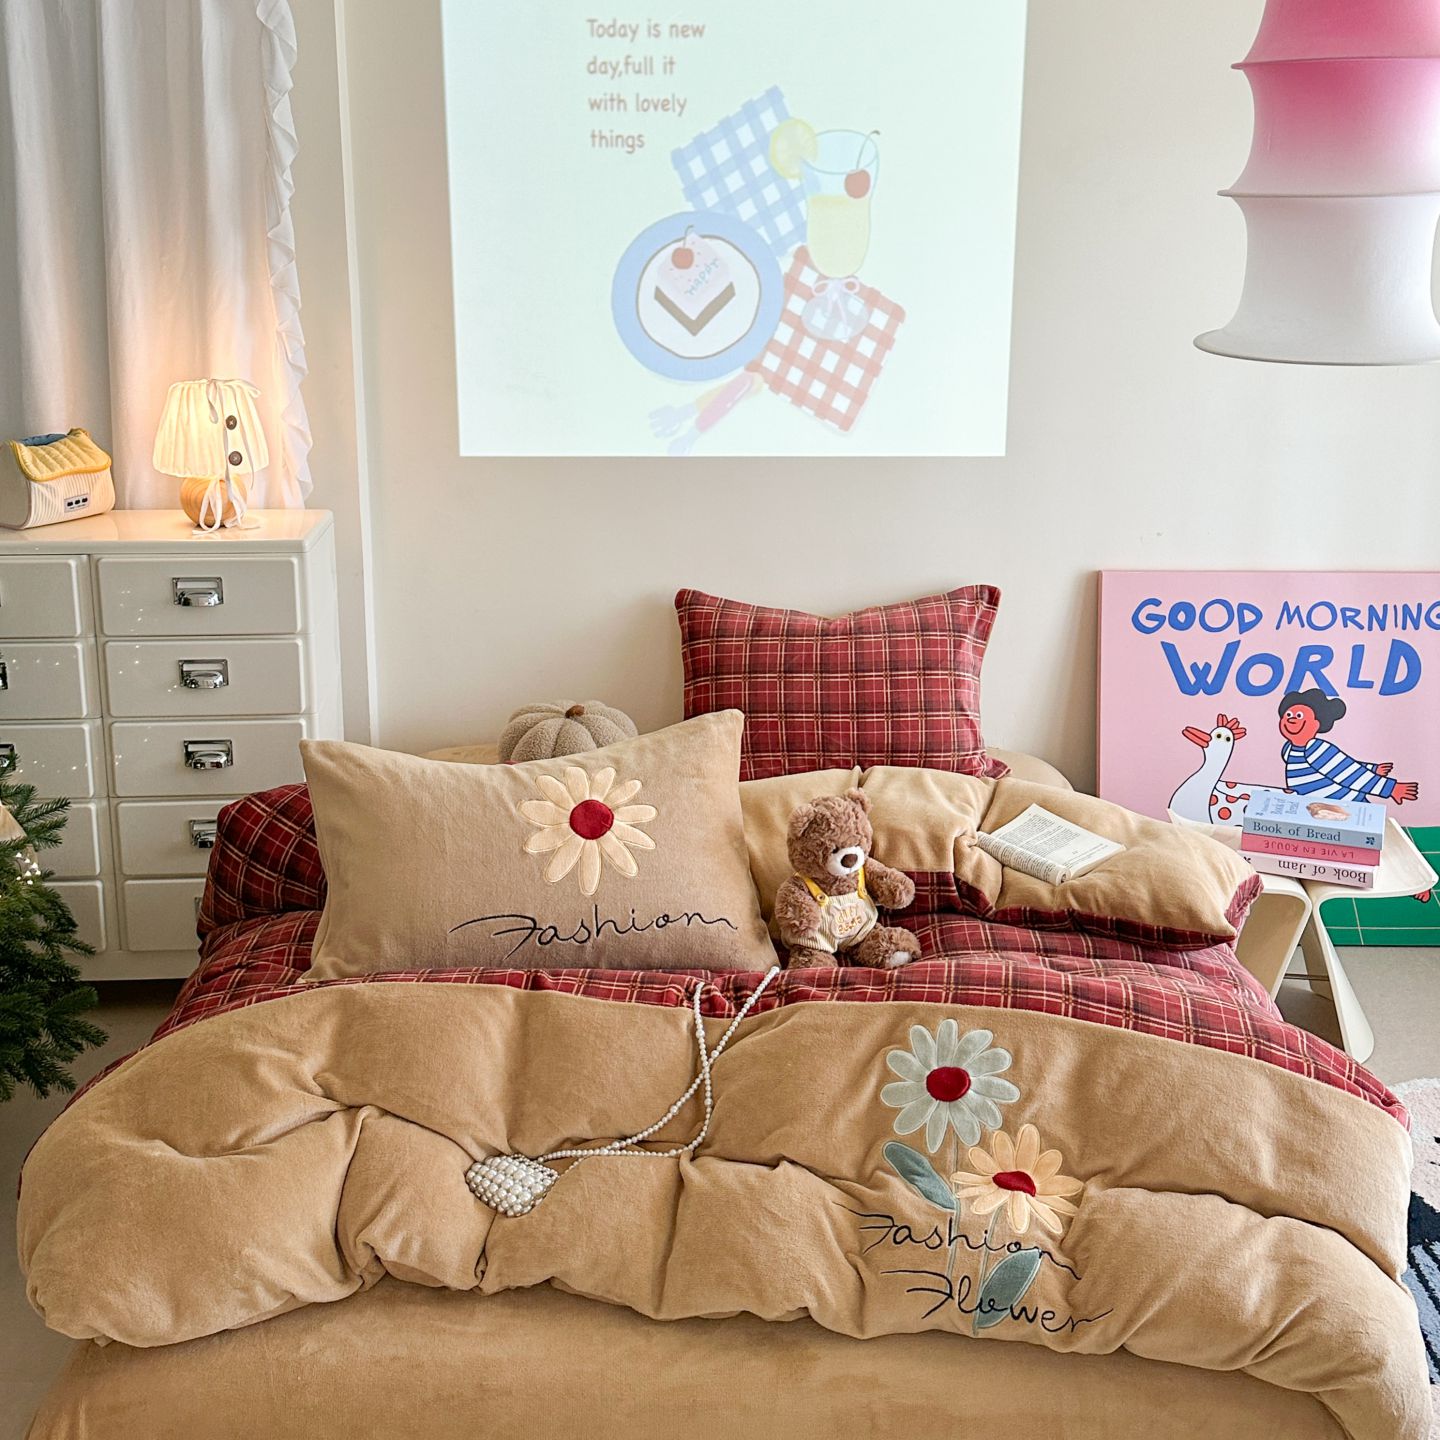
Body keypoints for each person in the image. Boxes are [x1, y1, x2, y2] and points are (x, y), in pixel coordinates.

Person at [1276, 689, 1419, 804]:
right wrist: (1372, 768)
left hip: (1344, 805)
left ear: (1316, 724)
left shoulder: (1315, 749)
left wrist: (1391, 788)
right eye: (1288, 715)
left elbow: (1349, 772)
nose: (1291, 719)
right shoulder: (1288, 750)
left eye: (1299, 716)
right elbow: (1344, 763)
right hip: (1312, 810)